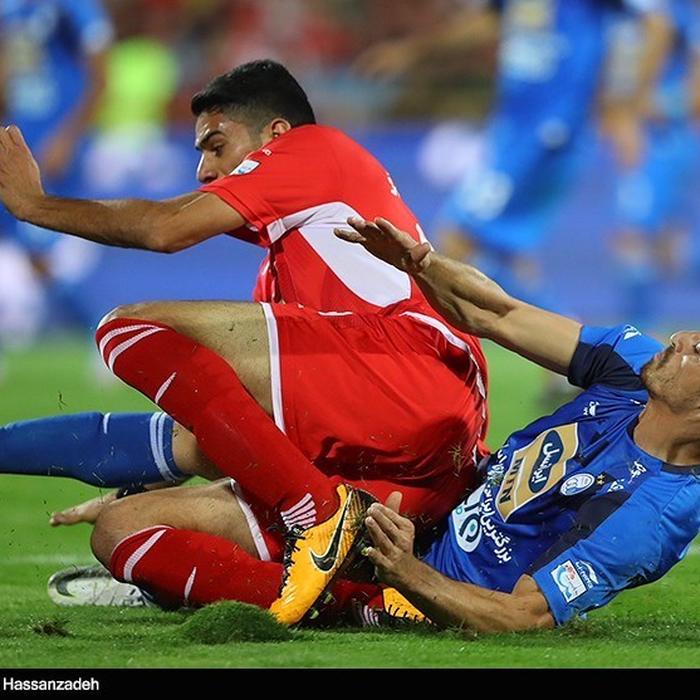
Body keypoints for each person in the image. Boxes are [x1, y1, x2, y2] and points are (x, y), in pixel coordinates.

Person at [0, 60, 489, 624]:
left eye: (216, 145)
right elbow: (207, 434)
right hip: (398, 477)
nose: (205, 171)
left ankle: (318, 516)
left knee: (129, 328)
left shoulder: (315, 148)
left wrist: (34, 206)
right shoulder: (283, 271)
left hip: (417, 381)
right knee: (121, 531)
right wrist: (132, 487)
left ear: (276, 134)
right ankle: (370, 603)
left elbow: (164, 227)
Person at [50, 214, 700, 632]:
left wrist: (405, 574)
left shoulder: (653, 513)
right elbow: (495, 314)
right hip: (438, 495)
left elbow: (524, 616)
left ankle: (343, 604)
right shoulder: (634, 364)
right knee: (137, 515)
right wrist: (421, 263)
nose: (683, 339)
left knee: (120, 530)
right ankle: (256, 562)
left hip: (426, 587)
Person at [359, 0, 671, 311]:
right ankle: (564, 335)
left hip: (549, 129)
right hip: (514, 127)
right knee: (504, 256)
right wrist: (414, 52)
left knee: (458, 239)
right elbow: (490, 22)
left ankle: (566, 336)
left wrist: (628, 105)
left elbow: (656, 23)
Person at [0, 0, 113, 331]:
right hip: (19, 136)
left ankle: (93, 326)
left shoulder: (73, 6)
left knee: (41, 244)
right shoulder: (9, 8)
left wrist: (68, 138)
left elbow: (102, 76)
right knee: (24, 243)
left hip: (53, 144)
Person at [603, 0, 700, 328]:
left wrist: (648, 105)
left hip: (665, 141)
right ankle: (639, 330)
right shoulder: (623, 15)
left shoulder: (677, 15)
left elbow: (695, 94)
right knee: (640, 240)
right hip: (642, 138)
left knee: (640, 240)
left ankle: (638, 331)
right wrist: (618, 117)